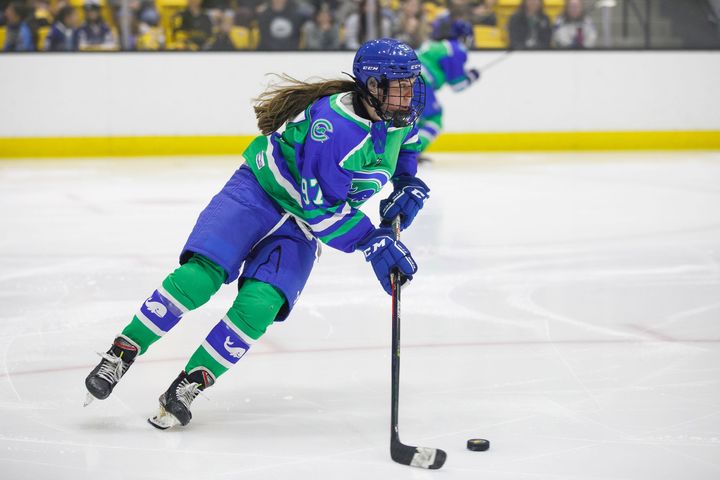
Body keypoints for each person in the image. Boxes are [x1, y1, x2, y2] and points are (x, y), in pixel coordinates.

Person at [84, 38, 431, 430]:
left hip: (301, 225)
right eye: (398, 85)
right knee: (199, 278)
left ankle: (187, 385)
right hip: (259, 193)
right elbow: (321, 210)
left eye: (410, 83)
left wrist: (407, 183)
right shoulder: (333, 127)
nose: (408, 94)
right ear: (371, 86)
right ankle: (122, 352)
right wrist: (371, 240)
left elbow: (406, 147)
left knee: (261, 304)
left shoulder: (399, 114)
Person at [415, 18, 480, 161]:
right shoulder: (456, 49)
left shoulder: (433, 45)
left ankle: (400, 151)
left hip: (406, 79)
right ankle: (411, 154)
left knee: (413, 120)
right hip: (420, 82)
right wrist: (472, 76)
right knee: (434, 118)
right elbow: (458, 85)